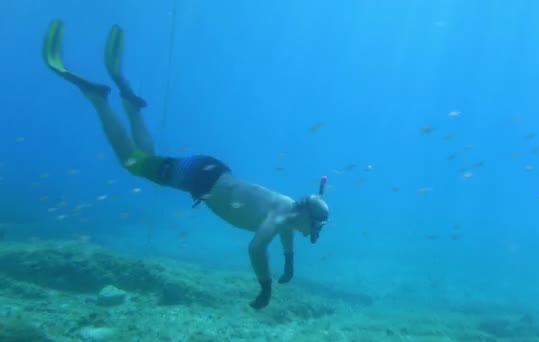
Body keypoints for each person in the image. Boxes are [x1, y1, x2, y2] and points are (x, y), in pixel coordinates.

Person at [42, 19, 330, 309]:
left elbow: (289, 230)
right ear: (306, 217)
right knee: (131, 162)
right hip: (198, 178)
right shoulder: (278, 219)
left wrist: (289, 261)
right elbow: (257, 249)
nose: (313, 235)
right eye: (315, 229)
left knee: (146, 158)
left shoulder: (290, 209)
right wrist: (265, 287)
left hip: (212, 172)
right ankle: (98, 99)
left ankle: (130, 105)